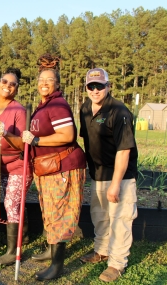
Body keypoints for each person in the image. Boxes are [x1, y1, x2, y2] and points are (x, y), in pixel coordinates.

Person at [21, 54, 86, 281]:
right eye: (41, 80)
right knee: (50, 211)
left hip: (62, 167)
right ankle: (51, 250)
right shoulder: (45, 105)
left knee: (59, 214)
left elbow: (68, 135)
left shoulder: (57, 104)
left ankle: (57, 266)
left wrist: (36, 141)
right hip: (48, 168)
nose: (44, 83)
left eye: (49, 80)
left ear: (57, 84)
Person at [79, 68, 138, 282]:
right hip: (98, 174)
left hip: (120, 176)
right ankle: (102, 251)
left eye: (100, 86)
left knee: (120, 219)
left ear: (108, 86)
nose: (95, 90)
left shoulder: (119, 111)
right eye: (91, 86)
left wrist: (115, 184)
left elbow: (124, 150)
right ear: (86, 87)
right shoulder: (85, 108)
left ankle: (116, 263)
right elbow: (88, 143)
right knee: (100, 216)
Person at [0, 68, 33, 265]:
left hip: (19, 166)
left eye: (12, 84)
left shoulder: (19, 111)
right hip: (2, 166)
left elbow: (23, 144)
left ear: (16, 89)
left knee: (10, 204)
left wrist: (5, 134)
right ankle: (25, 234)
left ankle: (13, 251)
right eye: (4, 82)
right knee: (15, 204)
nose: (7, 86)